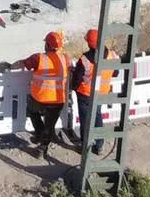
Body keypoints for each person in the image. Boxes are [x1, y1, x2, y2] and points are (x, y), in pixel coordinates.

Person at [13, 30, 66, 158]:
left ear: (47, 45)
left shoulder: (39, 58)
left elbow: (23, 63)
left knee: (32, 111)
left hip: (40, 98)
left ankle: (39, 134)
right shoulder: (65, 58)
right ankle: (42, 148)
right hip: (58, 101)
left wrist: (9, 66)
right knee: (49, 125)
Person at [67, 27, 118, 149]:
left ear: (89, 43)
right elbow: (115, 73)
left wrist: (73, 86)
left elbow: (78, 79)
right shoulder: (111, 55)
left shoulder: (85, 59)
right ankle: (99, 145)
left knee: (85, 121)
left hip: (85, 94)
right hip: (101, 93)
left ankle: (85, 146)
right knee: (97, 116)